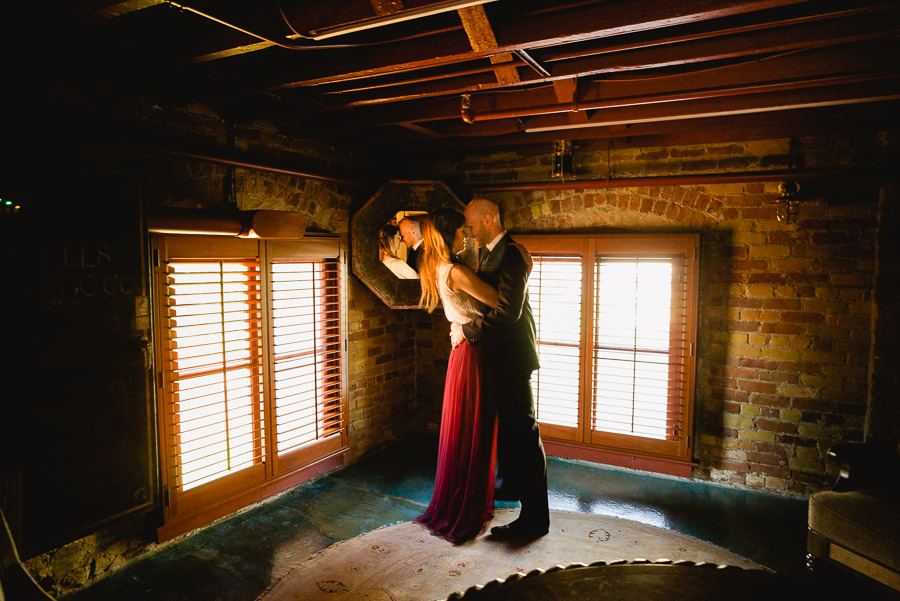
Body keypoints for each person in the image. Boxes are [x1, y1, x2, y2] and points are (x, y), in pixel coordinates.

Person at [450, 198, 549, 540]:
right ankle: (519, 507)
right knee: (510, 437)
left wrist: (466, 330)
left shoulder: (513, 253)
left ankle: (536, 520)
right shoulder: (486, 252)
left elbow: (508, 311)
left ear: (489, 219)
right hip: (496, 359)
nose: (469, 231)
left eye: (472, 225)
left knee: (524, 438)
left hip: (514, 359)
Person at [415, 208, 503, 544]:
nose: (466, 234)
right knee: (474, 427)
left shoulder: (437, 268)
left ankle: (462, 495)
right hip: (475, 352)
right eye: (462, 230)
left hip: (462, 351)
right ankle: (467, 503)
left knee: (463, 426)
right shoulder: (456, 270)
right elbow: (498, 302)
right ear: (447, 236)